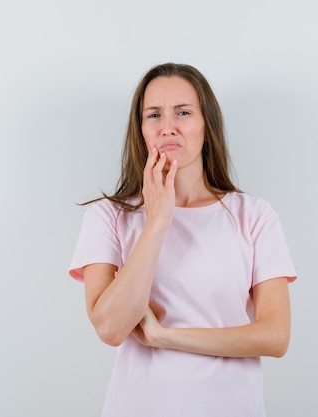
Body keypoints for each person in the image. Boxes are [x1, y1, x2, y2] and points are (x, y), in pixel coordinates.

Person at [68, 63, 297, 417]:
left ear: (208, 125)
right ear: (140, 129)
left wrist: (165, 337)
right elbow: (111, 328)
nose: (167, 127)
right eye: (154, 115)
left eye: (183, 112)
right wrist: (157, 221)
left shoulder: (253, 215)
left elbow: (275, 336)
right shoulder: (108, 216)